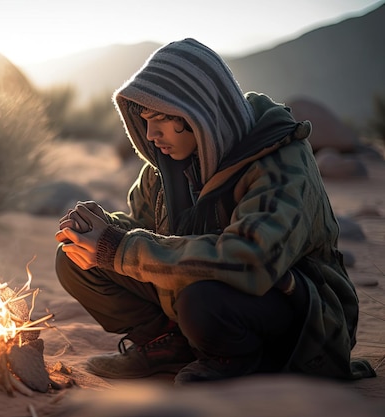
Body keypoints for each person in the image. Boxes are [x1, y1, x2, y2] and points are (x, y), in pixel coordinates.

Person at [54, 38, 376, 384]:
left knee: (202, 297)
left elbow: (250, 258)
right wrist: (99, 230)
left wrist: (118, 247)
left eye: (161, 119)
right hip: (198, 294)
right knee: (75, 258)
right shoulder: (165, 165)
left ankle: (237, 359)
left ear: (200, 113)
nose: (151, 134)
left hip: (298, 314)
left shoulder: (279, 161)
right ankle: (168, 344)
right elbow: (143, 230)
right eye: (146, 120)